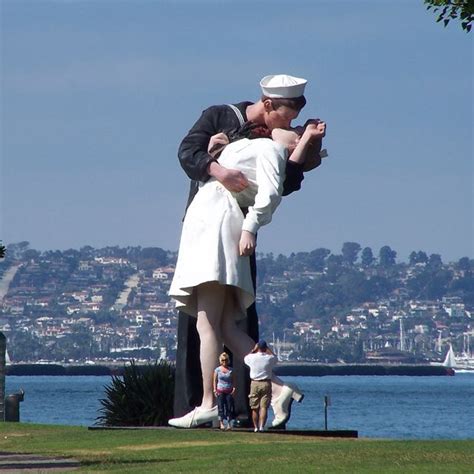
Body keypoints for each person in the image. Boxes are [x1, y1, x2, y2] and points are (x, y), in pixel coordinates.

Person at [174, 74, 326, 426]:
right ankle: (269, 390)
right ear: (269, 104)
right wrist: (217, 167)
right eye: (286, 118)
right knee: (222, 322)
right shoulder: (221, 116)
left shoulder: (271, 143)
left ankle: (214, 404)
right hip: (216, 224)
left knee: (211, 320)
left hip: (227, 227)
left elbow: (281, 186)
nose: (288, 126)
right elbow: (187, 152)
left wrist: (301, 146)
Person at [244, 340, 277, 432]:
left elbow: (245, 358)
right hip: (266, 382)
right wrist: (269, 350)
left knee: (254, 407)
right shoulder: (269, 358)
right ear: (265, 348)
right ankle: (261, 426)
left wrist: (253, 350)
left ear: (258, 347)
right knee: (264, 407)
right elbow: (275, 358)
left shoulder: (252, 357)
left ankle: (255, 427)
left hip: (254, 383)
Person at [213, 352, 236, 430]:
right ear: (220, 360)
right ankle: (222, 423)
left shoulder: (231, 370)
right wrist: (215, 390)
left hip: (229, 390)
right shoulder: (217, 370)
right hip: (220, 390)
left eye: (226, 360)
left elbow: (233, 380)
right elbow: (215, 380)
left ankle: (229, 423)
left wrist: (234, 388)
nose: (224, 362)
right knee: (221, 407)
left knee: (229, 407)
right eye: (223, 360)